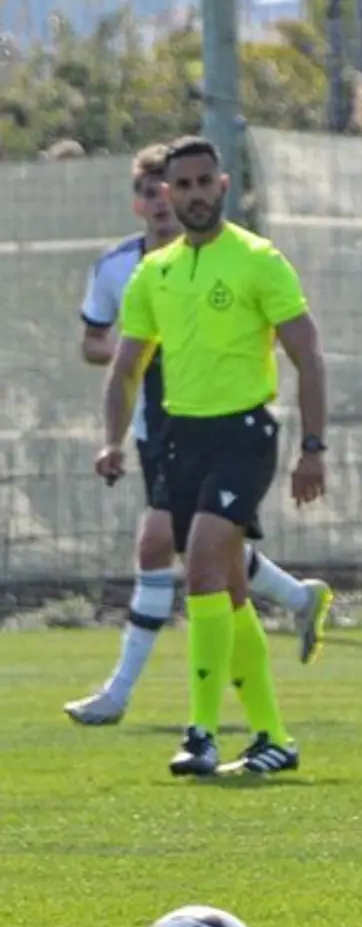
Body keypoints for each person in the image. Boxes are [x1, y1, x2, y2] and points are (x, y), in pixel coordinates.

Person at [66, 144, 333, 727]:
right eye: (168, 188)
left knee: (178, 553)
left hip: (237, 428)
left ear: (222, 185)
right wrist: (114, 430)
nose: (182, 197)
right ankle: (271, 719)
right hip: (163, 430)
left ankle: (173, 716)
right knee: (215, 566)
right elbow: (106, 352)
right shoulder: (132, 271)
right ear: (149, 200)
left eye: (200, 182)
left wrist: (314, 448)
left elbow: (307, 354)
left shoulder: (253, 259)